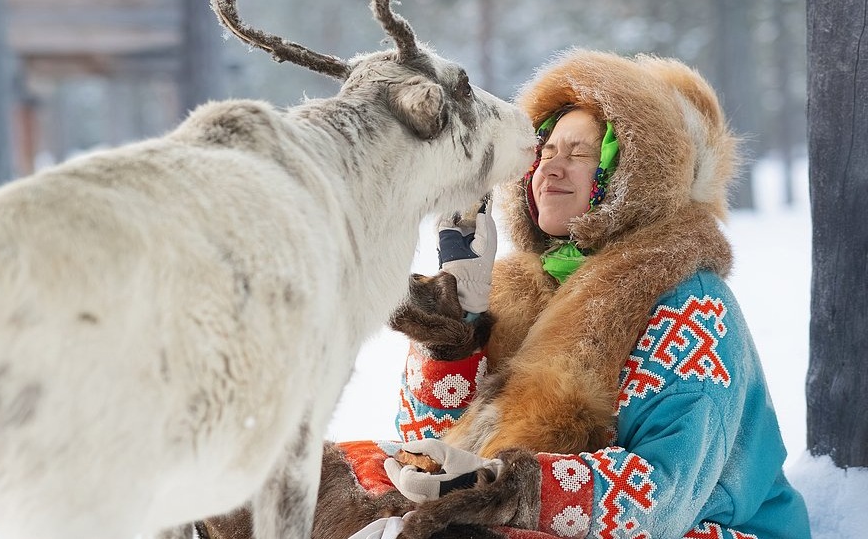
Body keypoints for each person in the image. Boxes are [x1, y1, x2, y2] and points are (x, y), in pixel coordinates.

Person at [197, 49, 811, 539]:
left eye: (578, 153)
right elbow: (431, 447)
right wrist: (453, 336)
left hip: (709, 529)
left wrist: (502, 487)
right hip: (536, 512)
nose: (548, 167)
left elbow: (664, 498)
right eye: (544, 150)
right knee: (286, 480)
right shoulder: (523, 287)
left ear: (630, 175)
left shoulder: (689, 306)